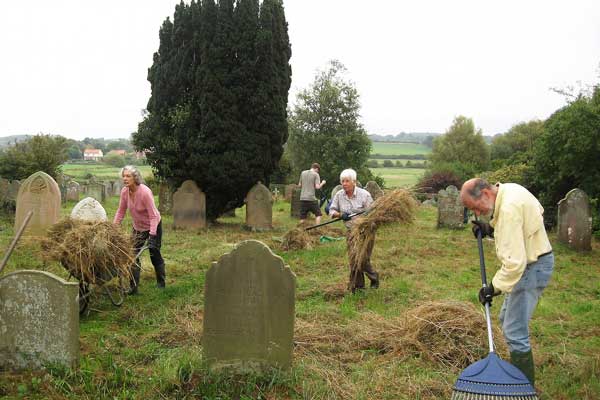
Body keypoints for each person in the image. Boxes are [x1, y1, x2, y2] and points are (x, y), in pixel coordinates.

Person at [460, 178, 553, 386]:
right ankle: (516, 373)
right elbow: (537, 212)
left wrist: (493, 288)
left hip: (532, 267)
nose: (479, 213)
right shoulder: (510, 190)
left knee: (514, 330)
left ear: (485, 194)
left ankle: (524, 387)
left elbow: (514, 264)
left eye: (476, 208)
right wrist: (491, 229)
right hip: (532, 262)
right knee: (505, 318)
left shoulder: (509, 209)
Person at [113, 165, 166, 294]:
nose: (125, 179)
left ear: (135, 177)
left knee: (154, 253)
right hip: (138, 228)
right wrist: (113, 227)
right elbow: (121, 211)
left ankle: (161, 282)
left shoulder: (145, 192)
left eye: (128, 176)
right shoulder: (125, 192)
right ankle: (133, 287)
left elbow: (153, 216)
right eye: (123, 176)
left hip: (153, 225)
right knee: (132, 255)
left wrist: (152, 235)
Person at [329, 168, 379, 292]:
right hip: (351, 232)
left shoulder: (364, 195)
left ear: (354, 182)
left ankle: (374, 277)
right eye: (342, 181)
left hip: (366, 232)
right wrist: (340, 215)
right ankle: (358, 286)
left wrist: (363, 221)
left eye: (347, 181)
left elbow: (373, 213)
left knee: (362, 259)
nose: (344, 184)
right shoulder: (339, 195)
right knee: (353, 259)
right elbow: (331, 211)